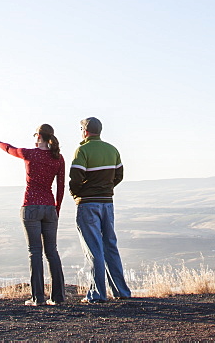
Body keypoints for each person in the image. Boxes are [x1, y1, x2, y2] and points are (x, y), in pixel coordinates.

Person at [0, 124, 66, 306]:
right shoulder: (58, 158)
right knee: (52, 252)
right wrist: (57, 209)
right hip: (49, 208)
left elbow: (10, 149)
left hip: (31, 206)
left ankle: (37, 298)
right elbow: (61, 187)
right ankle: (58, 297)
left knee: (35, 252)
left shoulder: (30, 154)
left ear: (38, 136)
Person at [69, 116, 132, 303]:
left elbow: (75, 178)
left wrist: (77, 195)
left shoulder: (82, 150)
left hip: (88, 204)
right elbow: (119, 175)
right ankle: (121, 291)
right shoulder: (112, 150)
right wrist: (106, 188)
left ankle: (97, 293)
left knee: (93, 248)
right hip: (107, 203)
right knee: (110, 245)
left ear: (85, 131)